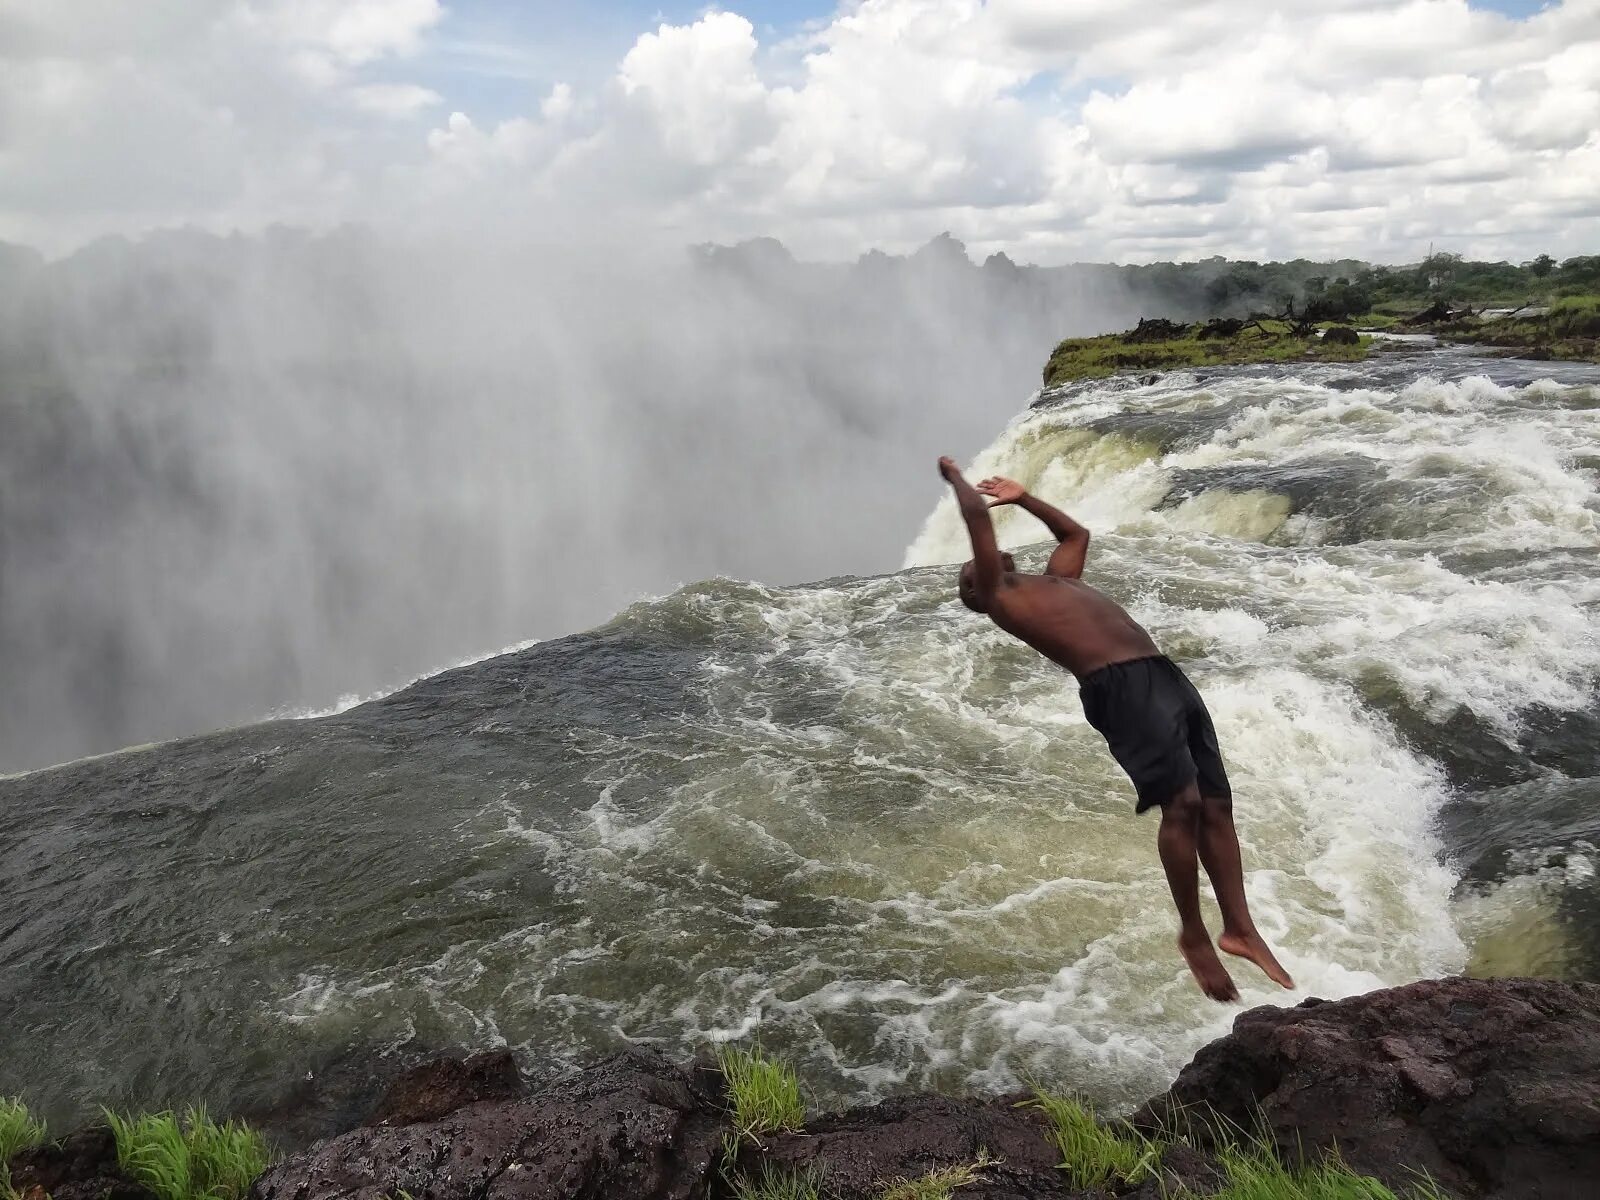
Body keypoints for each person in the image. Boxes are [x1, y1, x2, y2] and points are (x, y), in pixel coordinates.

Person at [936, 455, 1293, 1002]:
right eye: (972, 572)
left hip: (1163, 675)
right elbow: (978, 524)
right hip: (1118, 688)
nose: (976, 564)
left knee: (1217, 804)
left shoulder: (1058, 580)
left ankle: (1240, 929)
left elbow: (1075, 532)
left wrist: (1023, 496)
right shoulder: (1004, 598)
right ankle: (1193, 934)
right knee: (1185, 805)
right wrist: (958, 480)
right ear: (980, 593)